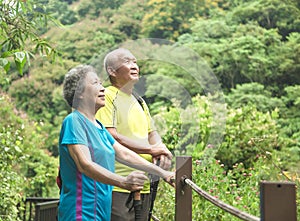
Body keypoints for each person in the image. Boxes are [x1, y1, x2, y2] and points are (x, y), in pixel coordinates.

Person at [58, 64, 174, 221]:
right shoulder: (74, 121)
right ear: (79, 93)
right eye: (95, 83)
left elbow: (124, 154)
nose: (102, 88)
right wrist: (124, 182)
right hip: (81, 212)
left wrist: (163, 173)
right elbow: (84, 164)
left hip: (101, 212)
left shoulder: (99, 127)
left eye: (101, 83)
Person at [95, 48, 173, 221]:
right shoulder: (106, 96)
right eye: (127, 62)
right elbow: (111, 136)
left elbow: (152, 134)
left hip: (144, 184)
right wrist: (152, 150)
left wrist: (161, 149)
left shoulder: (139, 101)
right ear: (112, 71)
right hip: (117, 184)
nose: (134, 66)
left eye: (135, 62)